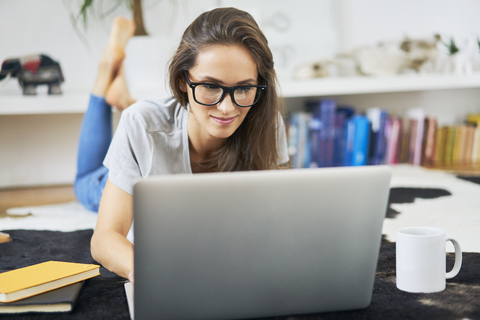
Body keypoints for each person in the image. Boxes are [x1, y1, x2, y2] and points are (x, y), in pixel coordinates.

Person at [75, 8, 289, 284]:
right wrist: (149, 274)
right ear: (182, 81)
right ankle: (106, 75)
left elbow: (269, 223)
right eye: (211, 86)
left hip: (159, 129)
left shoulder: (267, 124)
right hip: (119, 176)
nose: (227, 108)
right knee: (85, 181)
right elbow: (104, 238)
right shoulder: (140, 123)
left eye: (244, 88)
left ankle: (124, 95)